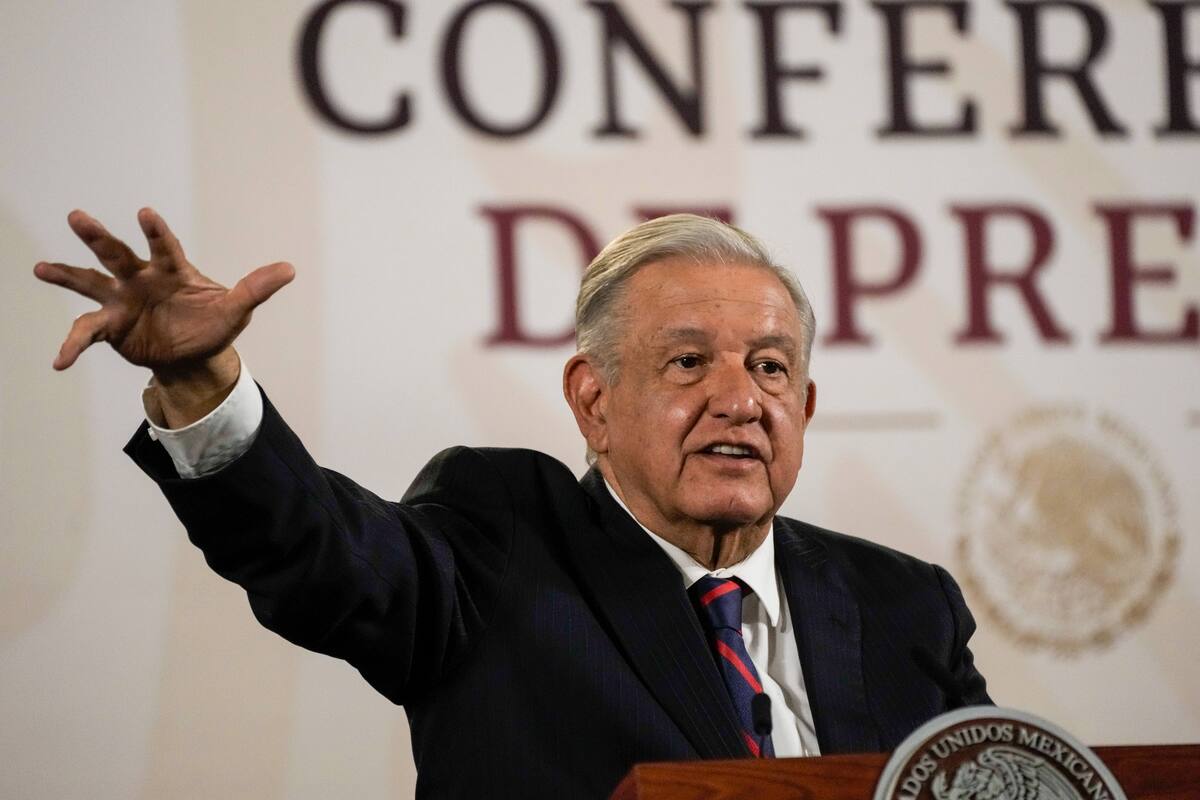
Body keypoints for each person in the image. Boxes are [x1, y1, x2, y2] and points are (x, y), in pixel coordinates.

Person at [35, 208, 989, 798]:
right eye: (689, 361)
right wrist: (202, 384)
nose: (740, 399)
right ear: (594, 400)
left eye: (770, 367)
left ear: (805, 407)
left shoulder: (907, 605)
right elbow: (323, 555)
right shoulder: (502, 542)